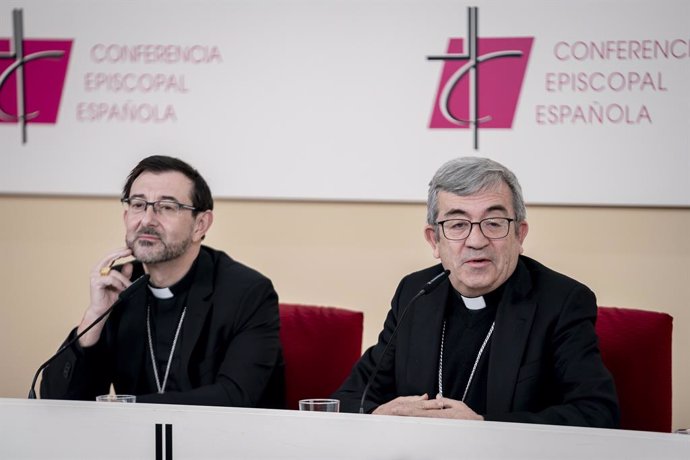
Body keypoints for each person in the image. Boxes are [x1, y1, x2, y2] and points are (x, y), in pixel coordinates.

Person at [332, 157, 619, 427]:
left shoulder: (561, 302)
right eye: (457, 225)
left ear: (520, 235)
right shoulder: (416, 294)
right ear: (434, 240)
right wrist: (379, 413)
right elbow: (348, 399)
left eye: (493, 223)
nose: (476, 240)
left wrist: (483, 426)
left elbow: (596, 412)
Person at [41, 155, 284, 407]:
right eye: (138, 205)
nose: (146, 220)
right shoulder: (121, 286)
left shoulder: (246, 292)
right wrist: (93, 318)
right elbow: (56, 401)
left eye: (166, 207)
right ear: (126, 217)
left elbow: (236, 398)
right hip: (136, 443)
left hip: (222, 444)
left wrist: (125, 407)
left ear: (200, 225)